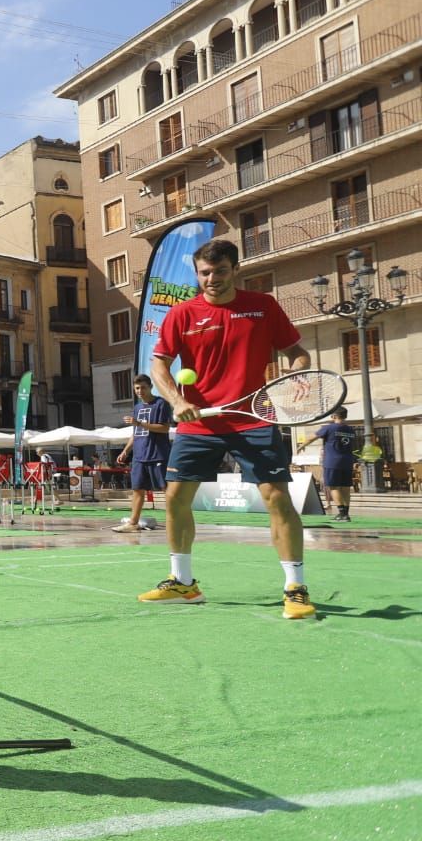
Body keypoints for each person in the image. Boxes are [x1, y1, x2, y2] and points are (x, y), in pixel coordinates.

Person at [139, 238, 316, 620]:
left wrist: (298, 371)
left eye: (220, 271)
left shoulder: (262, 307)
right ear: (197, 273)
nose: (212, 279)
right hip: (197, 422)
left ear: (235, 269)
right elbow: (158, 366)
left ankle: (295, 588)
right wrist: (177, 401)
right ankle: (184, 583)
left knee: (277, 499)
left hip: (253, 417)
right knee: (174, 498)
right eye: (205, 272)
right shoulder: (182, 314)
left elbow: (297, 352)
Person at [113, 374, 173, 533]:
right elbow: (136, 432)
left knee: (166, 490)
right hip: (139, 456)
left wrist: (139, 423)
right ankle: (133, 523)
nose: (140, 391)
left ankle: (174, 521)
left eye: (143, 387)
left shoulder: (161, 404)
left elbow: (164, 428)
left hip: (158, 454)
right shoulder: (137, 408)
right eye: (137, 388)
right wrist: (126, 451)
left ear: (150, 386)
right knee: (137, 490)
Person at [315, 406, 357, 521]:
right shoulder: (350, 429)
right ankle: (346, 514)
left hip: (332, 461)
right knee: (345, 488)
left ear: (333, 416)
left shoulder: (328, 428)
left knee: (333, 486)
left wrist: (301, 446)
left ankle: (341, 513)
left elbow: (312, 437)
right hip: (347, 461)